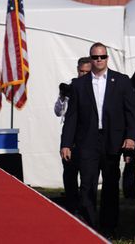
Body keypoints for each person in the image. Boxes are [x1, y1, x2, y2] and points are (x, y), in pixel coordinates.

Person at [60, 43, 135, 237]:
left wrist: (130, 137)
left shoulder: (121, 81)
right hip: (87, 140)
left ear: (107, 58)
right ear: (91, 58)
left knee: (111, 184)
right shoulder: (79, 84)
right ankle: (90, 226)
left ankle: (108, 227)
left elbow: (132, 112)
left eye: (102, 57)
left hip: (113, 139)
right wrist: (66, 144)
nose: (99, 60)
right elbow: (72, 116)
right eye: (95, 57)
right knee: (87, 184)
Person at [54, 57, 92, 214]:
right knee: (69, 174)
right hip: (70, 138)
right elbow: (58, 112)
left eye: (86, 72)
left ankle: (85, 208)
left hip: (88, 138)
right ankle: (71, 207)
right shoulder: (72, 87)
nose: (83, 74)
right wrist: (63, 96)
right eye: (81, 71)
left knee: (87, 176)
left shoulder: (94, 88)